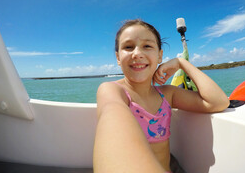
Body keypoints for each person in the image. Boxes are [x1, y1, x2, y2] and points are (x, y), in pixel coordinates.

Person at [93, 20, 230, 173]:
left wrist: (181, 63)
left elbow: (218, 102)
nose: (137, 53)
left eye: (147, 46)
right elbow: (112, 116)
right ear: (118, 57)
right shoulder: (111, 90)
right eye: (128, 47)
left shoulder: (167, 94)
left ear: (160, 56)